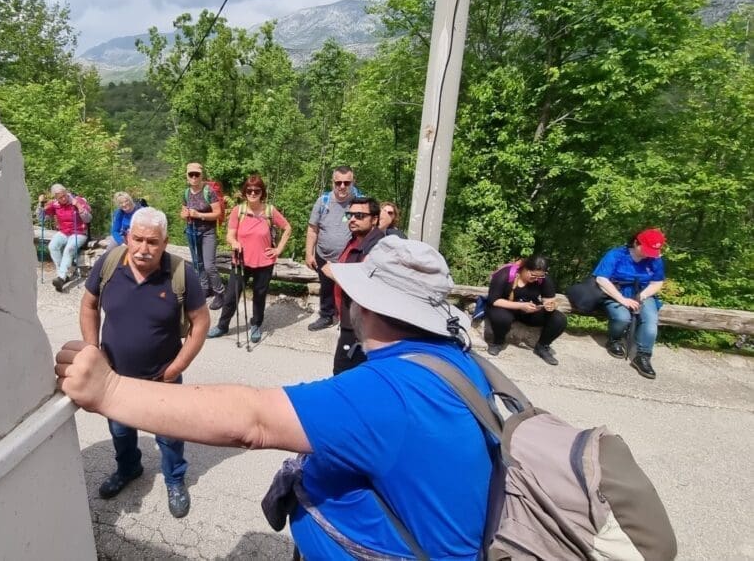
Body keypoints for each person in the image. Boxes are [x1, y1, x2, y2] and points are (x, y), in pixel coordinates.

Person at [57, 236, 489, 559]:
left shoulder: (386, 393)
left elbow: (252, 420)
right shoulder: (460, 363)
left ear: (366, 305)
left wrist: (108, 389)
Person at [79, 207, 210, 518]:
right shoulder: (110, 263)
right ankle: (128, 468)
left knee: (169, 435)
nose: (143, 248)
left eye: (152, 242)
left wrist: (177, 367)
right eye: (137, 239)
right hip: (115, 377)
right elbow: (88, 305)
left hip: (162, 378)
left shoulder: (180, 273)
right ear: (127, 237)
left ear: (164, 242)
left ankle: (174, 479)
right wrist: (92, 350)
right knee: (120, 430)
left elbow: (201, 322)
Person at [206, 175, 292, 344]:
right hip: (241, 261)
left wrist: (278, 250)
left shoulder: (270, 211)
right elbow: (230, 235)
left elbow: (287, 228)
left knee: (259, 296)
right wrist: (234, 242)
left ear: (262, 192)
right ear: (245, 192)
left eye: (256, 191)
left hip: (264, 262)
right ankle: (222, 326)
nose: (252, 193)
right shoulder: (238, 211)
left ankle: (256, 325)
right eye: (249, 190)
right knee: (231, 296)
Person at [321, 196, 384, 374]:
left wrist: (334, 272)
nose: (353, 219)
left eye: (359, 215)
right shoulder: (356, 239)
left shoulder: (378, 247)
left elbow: (365, 282)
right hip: (350, 318)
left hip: (361, 325)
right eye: (350, 215)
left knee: (343, 373)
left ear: (374, 219)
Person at [594, 228, 667, 380]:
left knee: (651, 319)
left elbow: (657, 282)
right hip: (615, 292)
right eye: (645, 249)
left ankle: (643, 355)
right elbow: (601, 279)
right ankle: (614, 340)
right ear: (635, 242)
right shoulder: (616, 254)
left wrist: (643, 295)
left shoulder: (655, 259)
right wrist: (622, 299)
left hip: (643, 293)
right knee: (622, 317)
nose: (648, 254)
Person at [484, 255, 566, 365]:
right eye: (533, 275)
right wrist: (520, 306)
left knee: (559, 319)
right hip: (504, 307)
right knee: (502, 318)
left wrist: (550, 305)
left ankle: (542, 346)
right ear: (525, 268)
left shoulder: (543, 279)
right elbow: (493, 300)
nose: (536, 279)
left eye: (540, 276)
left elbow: (550, 299)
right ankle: (498, 342)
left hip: (529, 311)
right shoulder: (504, 275)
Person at [305, 166, 359, 331]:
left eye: (346, 182)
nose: (342, 186)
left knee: (351, 289)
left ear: (353, 182)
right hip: (324, 254)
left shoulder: (359, 203)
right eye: (338, 182)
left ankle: (350, 321)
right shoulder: (323, 201)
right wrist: (309, 253)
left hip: (350, 257)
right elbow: (312, 229)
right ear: (333, 182)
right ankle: (327, 316)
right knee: (326, 288)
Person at [181, 162, 225, 310]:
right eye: (191, 174)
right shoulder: (186, 193)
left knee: (209, 266)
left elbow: (217, 213)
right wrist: (184, 215)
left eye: (197, 174)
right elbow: (182, 212)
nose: (194, 177)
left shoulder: (209, 191)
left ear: (201, 176)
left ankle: (220, 293)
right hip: (192, 231)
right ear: (187, 176)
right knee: (197, 263)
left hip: (208, 232)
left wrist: (199, 215)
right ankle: (205, 288)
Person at [38, 183, 92, 292]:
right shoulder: (55, 204)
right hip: (64, 232)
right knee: (52, 246)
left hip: (79, 232)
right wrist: (41, 205)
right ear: (56, 198)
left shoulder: (78, 200)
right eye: (60, 197)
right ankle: (62, 275)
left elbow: (88, 219)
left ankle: (61, 277)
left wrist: (78, 206)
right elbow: (41, 218)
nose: (63, 198)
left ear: (66, 192)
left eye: (64, 195)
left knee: (69, 249)